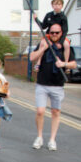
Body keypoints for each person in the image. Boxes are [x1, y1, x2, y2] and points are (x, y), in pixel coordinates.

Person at [29, 22, 77, 151]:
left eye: (57, 33)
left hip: (57, 85)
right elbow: (32, 57)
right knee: (40, 111)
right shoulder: (44, 43)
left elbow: (74, 64)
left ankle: (52, 140)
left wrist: (63, 64)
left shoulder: (64, 47)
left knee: (55, 112)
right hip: (42, 84)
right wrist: (42, 49)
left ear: (61, 33)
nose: (54, 35)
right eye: (52, 32)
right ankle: (39, 137)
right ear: (49, 33)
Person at [33, 0, 70, 72]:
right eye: (55, 4)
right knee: (42, 44)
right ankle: (38, 63)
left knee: (66, 45)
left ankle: (66, 65)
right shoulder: (48, 15)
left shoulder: (63, 17)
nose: (57, 6)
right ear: (52, 6)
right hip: (49, 36)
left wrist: (60, 42)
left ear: (62, 6)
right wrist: (36, 19)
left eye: (59, 4)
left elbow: (65, 30)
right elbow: (43, 26)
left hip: (59, 36)